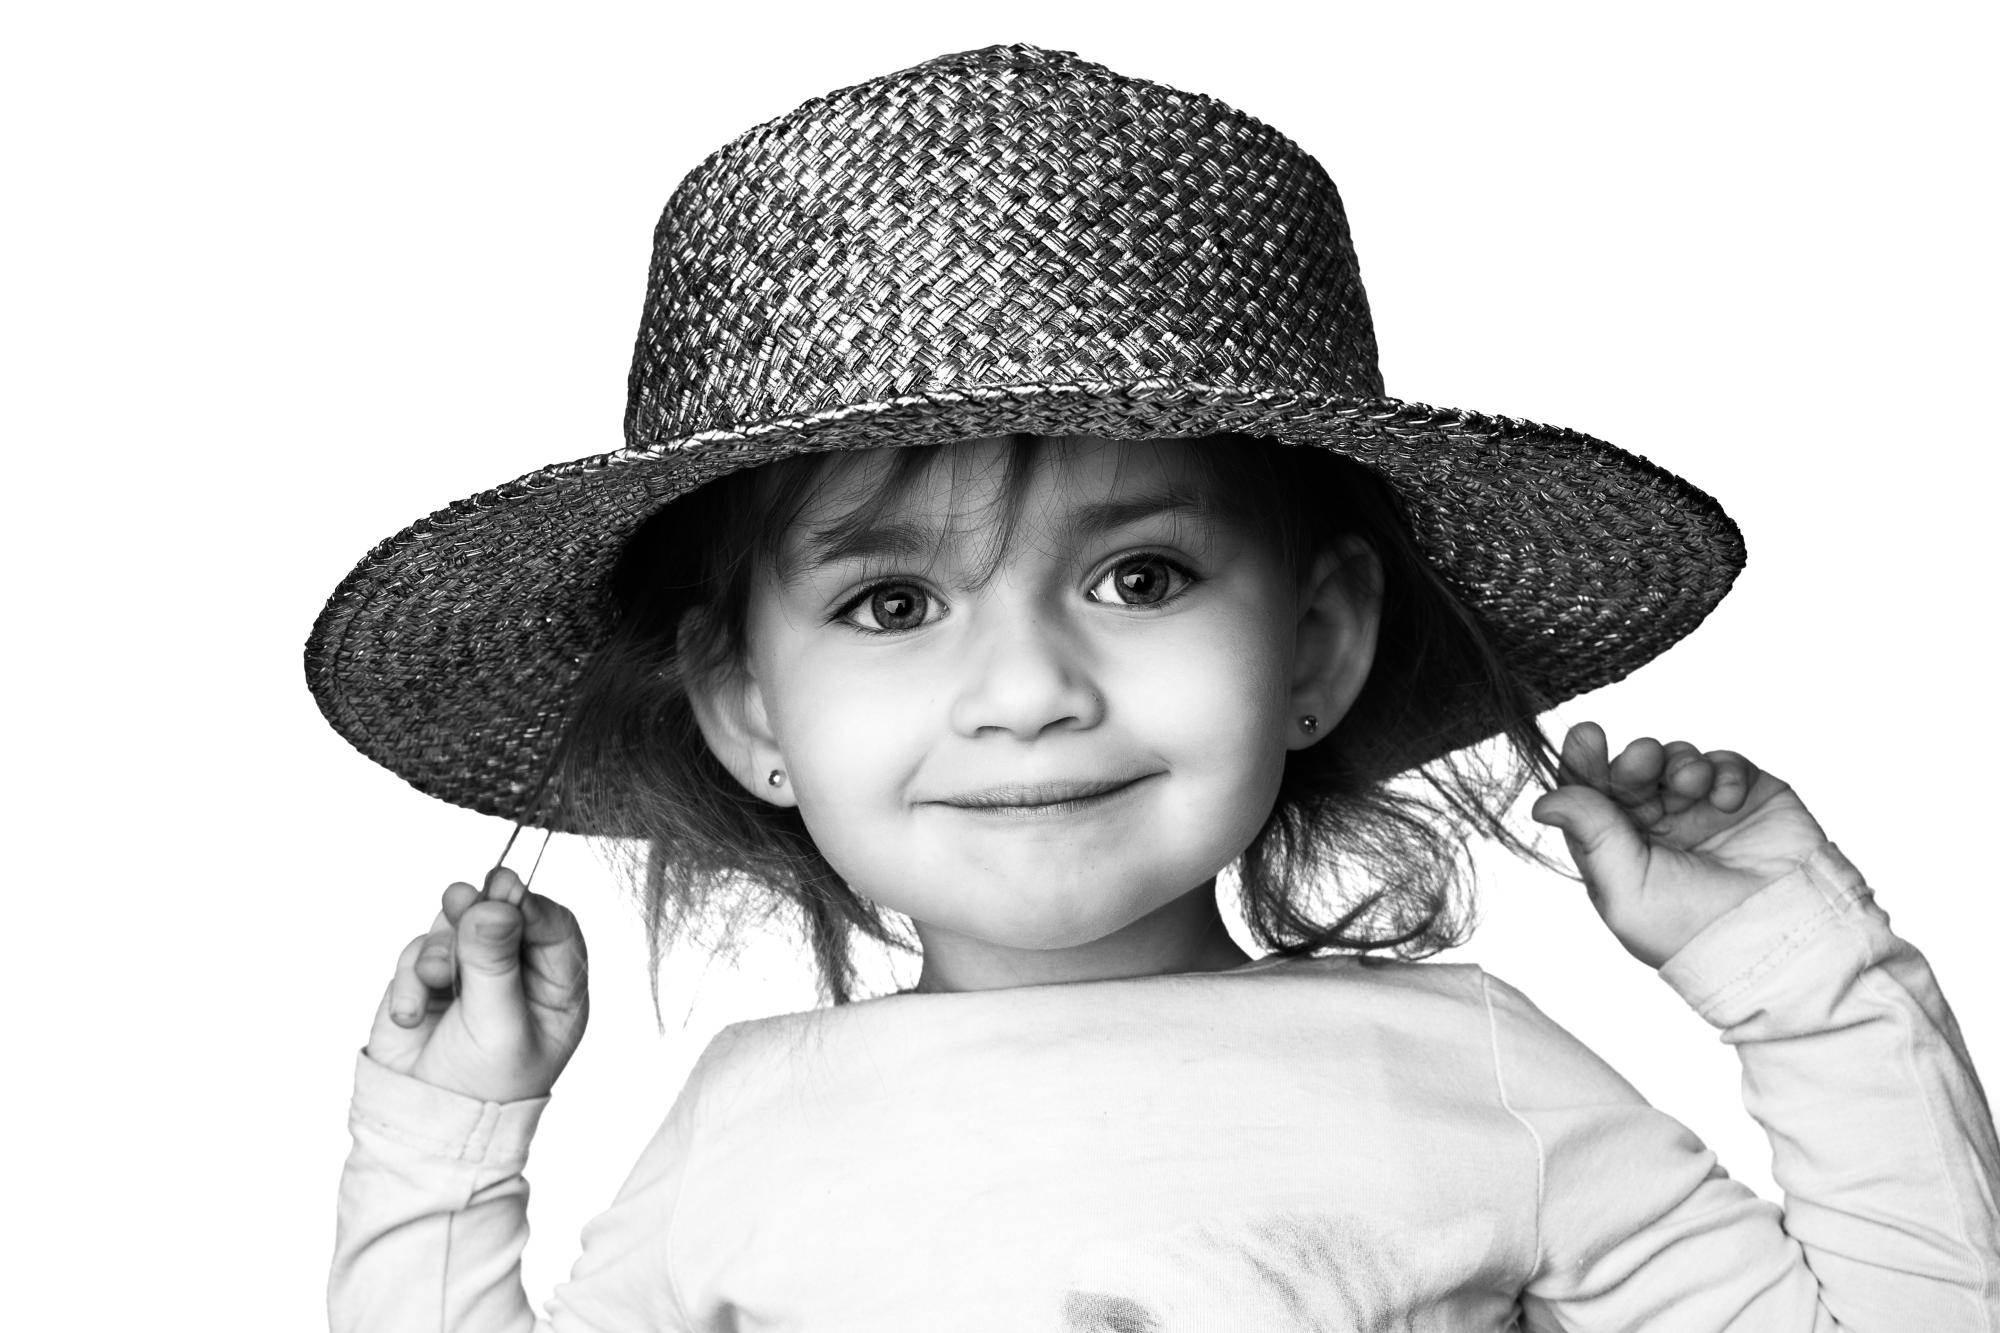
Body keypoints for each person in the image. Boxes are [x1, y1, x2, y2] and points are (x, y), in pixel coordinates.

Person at [311, 44, 2000, 1330]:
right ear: (751, 706)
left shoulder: (1470, 1071)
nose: (1028, 689)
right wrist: (445, 1137)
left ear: (1315, 644)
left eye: (1141, 578)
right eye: (893, 602)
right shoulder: (741, 1132)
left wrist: (1806, 976)